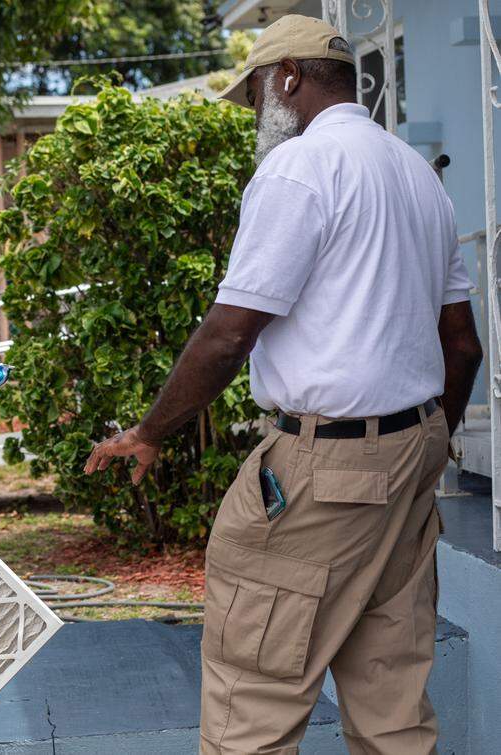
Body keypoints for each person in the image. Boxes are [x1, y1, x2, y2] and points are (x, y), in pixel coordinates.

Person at [84, 15, 482, 754]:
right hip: (410, 461)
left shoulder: (301, 169)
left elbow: (231, 331)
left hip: (323, 471)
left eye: (256, 93)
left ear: (289, 79)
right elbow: (462, 345)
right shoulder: (415, 177)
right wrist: (428, 442)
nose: (254, 115)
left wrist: (149, 431)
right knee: (394, 712)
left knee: (253, 703)